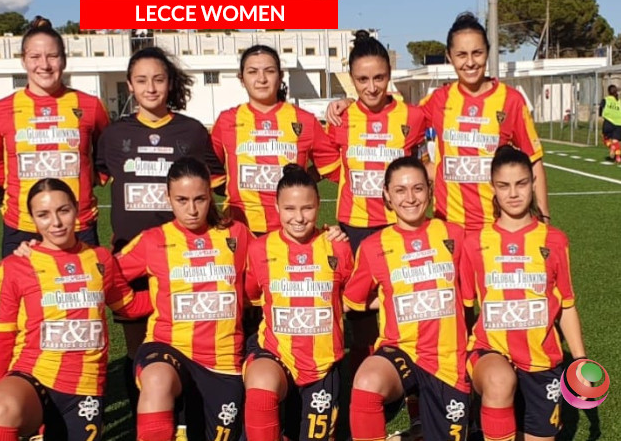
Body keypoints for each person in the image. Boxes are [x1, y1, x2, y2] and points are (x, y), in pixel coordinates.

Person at [94, 46, 225, 421]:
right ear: (129, 86)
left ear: (170, 83)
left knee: (185, 344)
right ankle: (145, 421)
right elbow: (91, 179)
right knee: (138, 351)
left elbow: (219, 185)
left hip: (186, 259)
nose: (150, 88)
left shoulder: (192, 132)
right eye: (141, 80)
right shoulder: (114, 135)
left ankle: (187, 420)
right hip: (131, 258)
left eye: (158, 79)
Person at [327, 13, 550, 231]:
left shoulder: (511, 100)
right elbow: (390, 116)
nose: (470, 62)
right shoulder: (438, 100)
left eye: (477, 53)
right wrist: (349, 102)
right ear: (449, 57)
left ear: (488, 52)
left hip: (498, 223)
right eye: (461, 54)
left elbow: (533, 160)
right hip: (448, 224)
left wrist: (544, 217)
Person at [0, 178, 152, 441]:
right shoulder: (14, 267)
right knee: (2, 408)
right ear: (33, 220)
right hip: (33, 377)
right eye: (43, 215)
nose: (56, 222)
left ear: (76, 209)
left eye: (63, 210)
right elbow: (0, 339)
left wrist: (176, 291)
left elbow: (130, 305)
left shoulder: (100, 259)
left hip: (85, 388)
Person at [312, 30, 426, 386]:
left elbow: (424, 161)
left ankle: (411, 377)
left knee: (406, 302)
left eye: (379, 77)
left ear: (390, 75)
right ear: (352, 79)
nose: (372, 87)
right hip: (355, 228)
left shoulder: (413, 116)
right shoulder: (341, 118)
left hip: (400, 226)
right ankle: (363, 376)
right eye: (362, 80)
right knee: (359, 309)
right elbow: (331, 166)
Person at [115, 157, 252, 441]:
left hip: (223, 360)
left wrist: (328, 238)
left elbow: (273, 266)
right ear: (168, 198)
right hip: (168, 347)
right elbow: (100, 274)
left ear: (210, 196)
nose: (191, 210)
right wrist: (141, 304)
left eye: (199, 199)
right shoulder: (153, 240)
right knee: (157, 379)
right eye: (182, 200)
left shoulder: (236, 234)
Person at [461, 146, 586, 441]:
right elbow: (464, 309)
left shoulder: (555, 240)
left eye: (521, 183)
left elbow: (566, 305)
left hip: (541, 359)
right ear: (492, 187)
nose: (513, 193)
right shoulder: (474, 243)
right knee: (498, 380)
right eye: (504, 185)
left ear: (533, 182)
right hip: (490, 351)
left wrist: (580, 359)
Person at [343, 156, 470, 441]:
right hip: (401, 350)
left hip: (449, 359)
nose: (410, 198)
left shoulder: (455, 235)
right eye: (400, 190)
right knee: (367, 383)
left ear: (429, 190)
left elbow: (473, 293)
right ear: (387, 195)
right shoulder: (373, 246)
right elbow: (352, 300)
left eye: (418, 188)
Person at [243, 164, 354, 441]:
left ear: (319, 205)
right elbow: (254, 296)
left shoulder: (338, 246)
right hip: (275, 353)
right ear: (277, 207)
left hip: (323, 363)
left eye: (307, 208)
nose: (299, 217)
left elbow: (351, 297)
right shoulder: (259, 249)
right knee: (261, 389)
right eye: (289, 209)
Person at [0, 16, 109, 257]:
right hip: (22, 226)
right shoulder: (0, 110)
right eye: (35, 57)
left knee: (83, 283)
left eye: (52, 56)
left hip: (78, 224)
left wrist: (89, 180)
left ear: (64, 59)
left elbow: (106, 154)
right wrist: (10, 188)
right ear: (23, 60)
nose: (44, 65)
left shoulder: (90, 105)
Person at [211, 44, 324, 235]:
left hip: (291, 230)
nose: (261, 79)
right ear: (241, 78)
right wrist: (232, 187)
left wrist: (301, 181)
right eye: (252, 72)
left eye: (269, 71)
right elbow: (209, 171)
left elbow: (332, 164)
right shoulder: (226, 121)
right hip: (240, 228)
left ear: (280, 76)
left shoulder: (305, 120)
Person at [599, 84, 621, 163]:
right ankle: (618, 158)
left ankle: (612, 147)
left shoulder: (606, 99)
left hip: (609, 122)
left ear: (608, 92)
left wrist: (600, 114)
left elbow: (601, 107)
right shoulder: (619, 102)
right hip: (619, 124)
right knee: (616, 141)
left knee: (606, 139)